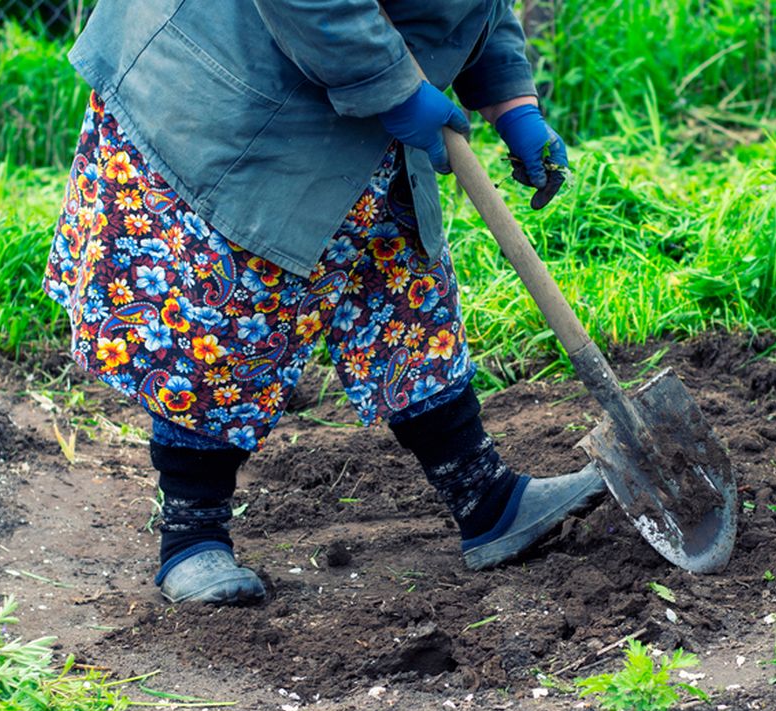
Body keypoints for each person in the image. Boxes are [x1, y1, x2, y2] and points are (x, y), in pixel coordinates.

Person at [42, 0, 604, 604]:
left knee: (403, 286)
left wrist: (511, 102)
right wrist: (394, 87)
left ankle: (485, 498)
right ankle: (191, 535)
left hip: (355, 72)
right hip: (218, 84)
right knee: (220, 315)